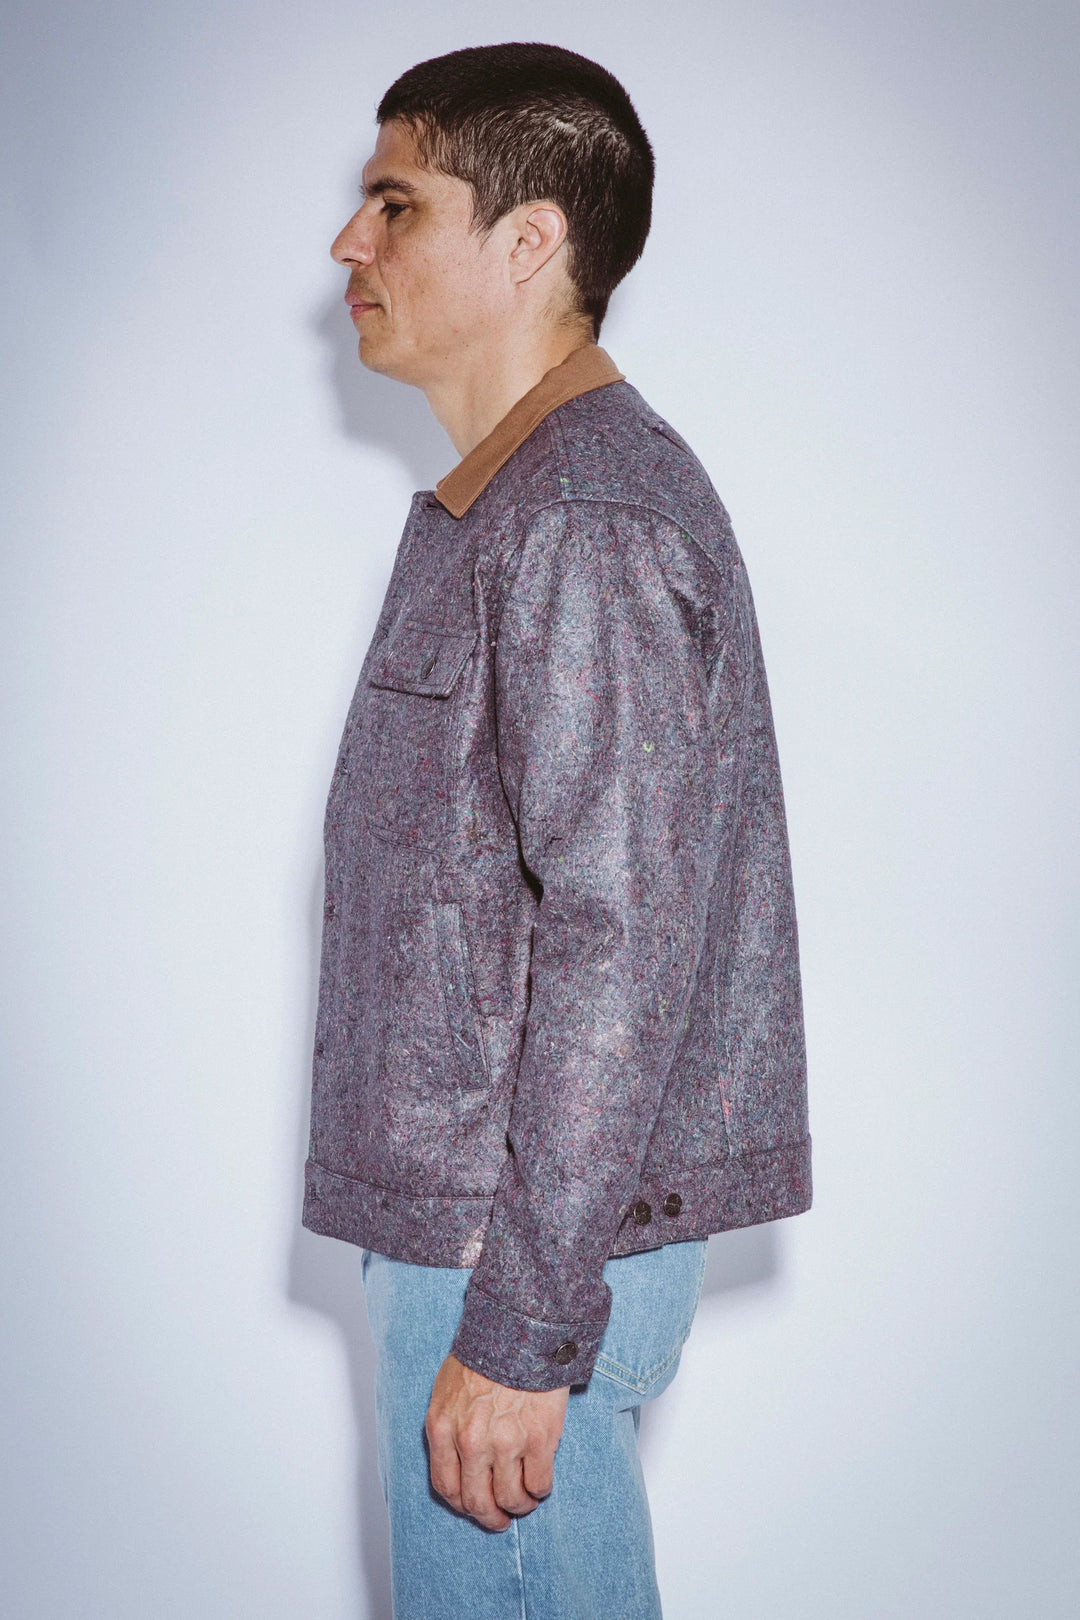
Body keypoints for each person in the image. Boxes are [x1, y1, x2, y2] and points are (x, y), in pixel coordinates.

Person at [302, 41, 812, 1620]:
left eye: (397, 203)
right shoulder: (524, 502)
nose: (349, 242)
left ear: (530, 241)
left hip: (507, 1253)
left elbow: (622, 942)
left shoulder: (581, 516)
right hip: (491, 1233)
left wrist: (521, 1327)